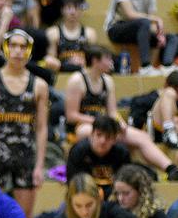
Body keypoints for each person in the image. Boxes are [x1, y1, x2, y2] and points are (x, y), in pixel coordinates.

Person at [64, 45, 178, 179]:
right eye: (107, 59)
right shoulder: (77, 80)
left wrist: (121, 123)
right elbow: (71, 116)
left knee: (141, 136)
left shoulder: (108, 81)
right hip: (82, 125)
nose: (111, 62)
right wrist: (98, 122)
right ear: (95, 61)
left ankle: (171, 169)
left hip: (105, 124)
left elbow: (112, 112)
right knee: (87, 132)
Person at [0, 29, 49, 218]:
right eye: (14, 45)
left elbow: (42, 128)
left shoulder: (39, 85)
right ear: (6, 49)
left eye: (23, 46)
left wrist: (39, 166)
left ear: (29, 51)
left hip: (26, 156)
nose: (18, 50)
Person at [103, 0, 177, 72]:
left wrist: (159, 33)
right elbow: (130, 14)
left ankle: (167, 66)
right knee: (144, 23)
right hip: (117, 28)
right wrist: (156, 19)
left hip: (140, 31)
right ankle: (145, 66)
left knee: (172, 37)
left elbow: (150, 25)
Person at [66, 115, 132, 198]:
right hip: (85, 198)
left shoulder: (122, 154)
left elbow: (126, 184)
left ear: (114, 139)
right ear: (91, 135)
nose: (102, 141)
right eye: (99, 135)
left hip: (114, 199)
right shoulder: (78, 151)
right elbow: (73, 183)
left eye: (108, 137)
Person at [43, 0, 96, 74]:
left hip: (82, 72)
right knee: (48, 60)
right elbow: (51, 59)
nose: (73, 12)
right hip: (60, 71)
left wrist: (83, 60)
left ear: (81, 10)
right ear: (62, 10)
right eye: (69, 8)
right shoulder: (53, 32)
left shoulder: (90, 33)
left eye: (76, 8)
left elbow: (92, 60)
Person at [150, 71, 178, 148]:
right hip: (158, 129)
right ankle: (168, 129)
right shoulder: (167, 93)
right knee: (169, 92)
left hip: (174, 131)